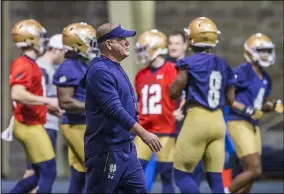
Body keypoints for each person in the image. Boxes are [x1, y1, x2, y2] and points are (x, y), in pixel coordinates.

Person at [80, 23, 162, 193]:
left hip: (126, 149)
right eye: (121, 39)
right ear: (109, 44)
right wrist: (143, 133)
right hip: (107, 151)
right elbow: (114, 109)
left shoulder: (114, 67)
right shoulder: (100, 71)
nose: (127, 43)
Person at [169, 17, 236, 194]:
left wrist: (174, 87)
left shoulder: (188, 63)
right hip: (218, 121)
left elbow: (174, 92)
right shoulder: (223, 64)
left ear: (191, 39)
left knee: (181, 174)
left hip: (197, 119)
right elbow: (230, 99)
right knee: (215, 178)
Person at [8, 19, 61, 193]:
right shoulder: (24, 63)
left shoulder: (31, 63)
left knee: (38, 173)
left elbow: (33, 95)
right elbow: (17, 93)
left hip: (33, 122)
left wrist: (48, 106)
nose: (43, 39)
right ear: (31, 39)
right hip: (28, 124)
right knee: (49, 171)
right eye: (40, 36)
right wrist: (48, 101)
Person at [226, 33, 283, 194]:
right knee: (254, 169)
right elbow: (227, 96)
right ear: (251, 51)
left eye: (267, 50)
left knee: (251, 172)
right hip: (238, 121)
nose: (265, 54)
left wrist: (272, 106)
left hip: (253, 124)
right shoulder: (243, 72)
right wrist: (244, 108)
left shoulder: (265, 77)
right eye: (261, 50)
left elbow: (260, 104)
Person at [53, 22, 99, 193]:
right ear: (77, 43)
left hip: (84, 124)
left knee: (80, 171)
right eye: (90, 41)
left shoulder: (82, 64)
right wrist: (94, 107)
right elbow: (65, 102)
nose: (93, 44)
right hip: (75, 125)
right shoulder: (69, 67)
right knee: (98, 169)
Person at [134, 29, 177, 193]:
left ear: (155, 48)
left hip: (166, 130)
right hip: (144, 130)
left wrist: (180, 110)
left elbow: (183, 94)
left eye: (144, 48)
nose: (141, 53)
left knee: (166, 175)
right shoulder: (140, 74)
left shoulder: (172, 69)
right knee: (134, 173)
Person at [23, 34, 65, 193]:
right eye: (64, 52)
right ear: (56, 50)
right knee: (41, 172)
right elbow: (32, 99)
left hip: (47, 124)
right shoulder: (41, 68)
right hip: (43, 124)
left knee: (35, 171)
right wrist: (53, 107)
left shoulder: (51, 68)